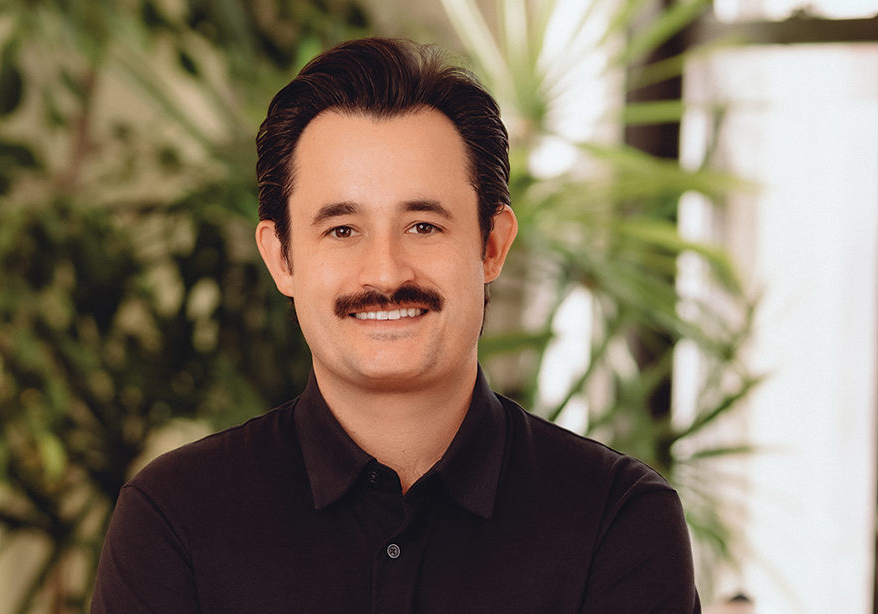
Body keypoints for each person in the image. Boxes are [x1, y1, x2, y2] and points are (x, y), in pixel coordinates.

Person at [91, 37, 700, 613]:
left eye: (423, 226)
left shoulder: (616, 519)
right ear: (281, 259)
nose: (383, 272)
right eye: (342, 230)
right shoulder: (175, 518)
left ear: (492, 245)